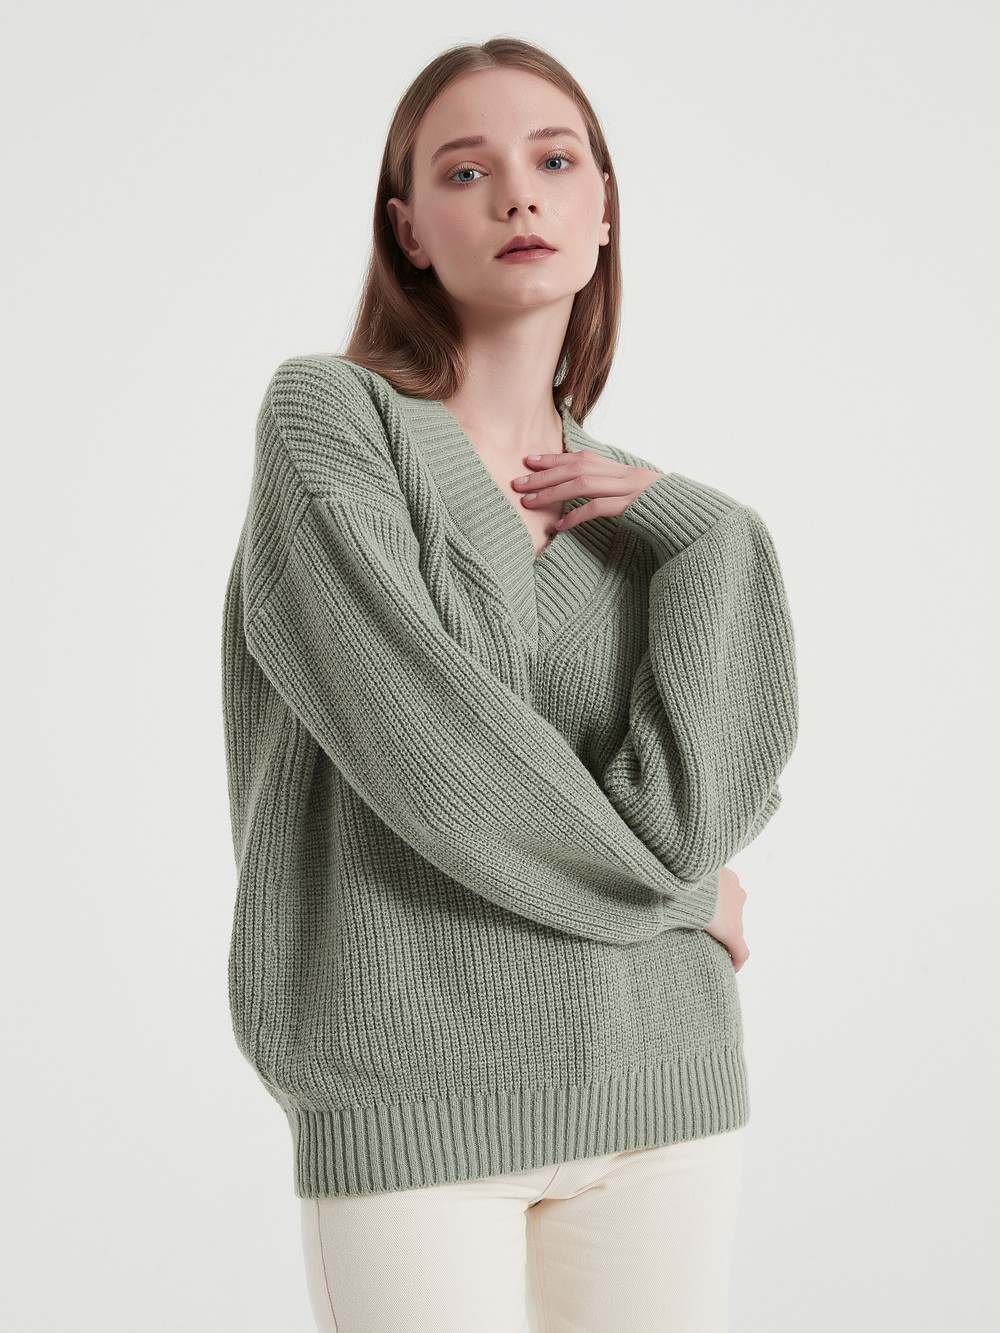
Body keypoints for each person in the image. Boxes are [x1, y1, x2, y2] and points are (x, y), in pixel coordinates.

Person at [221, 36, 799, 1333]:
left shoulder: (652, 521)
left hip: (662, 1079)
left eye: (554, 161)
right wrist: (682, 894)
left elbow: (697, 806)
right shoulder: (333, 423)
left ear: (605, 210)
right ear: (409, 230)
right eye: (466, 171)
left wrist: (714, 535)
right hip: (407, 1089)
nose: (519, 195)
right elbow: (433, 749)